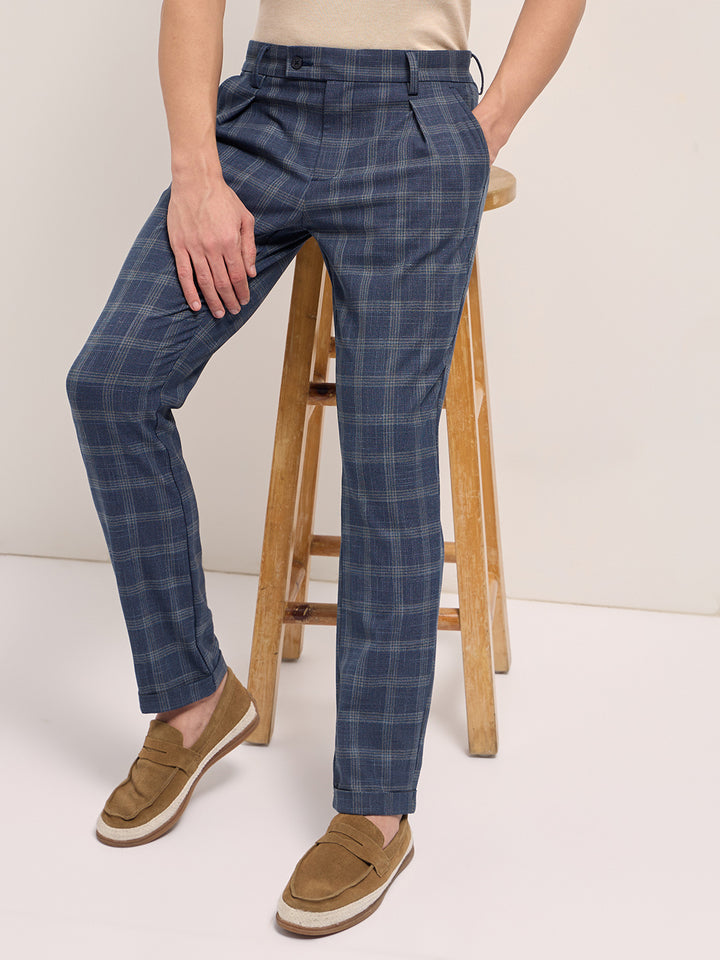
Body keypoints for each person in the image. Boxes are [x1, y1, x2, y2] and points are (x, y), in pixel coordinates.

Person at [65, 0, 586, 937]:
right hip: (265, 112)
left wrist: (489, 122)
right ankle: (194, 698)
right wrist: (195, 170)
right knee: (112, 385)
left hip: (416, 124)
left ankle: (377, 809)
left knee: (387, 461)